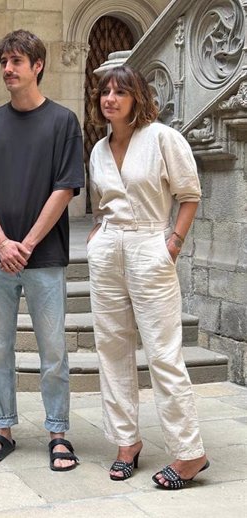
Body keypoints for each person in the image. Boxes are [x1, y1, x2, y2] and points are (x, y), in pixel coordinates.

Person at [0, 30, 85, 470]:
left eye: (17, 61)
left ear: (38, 66)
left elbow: (66, 187)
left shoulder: (63, 122)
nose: (8, 69)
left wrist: (28, 243)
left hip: (45, 258)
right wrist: (0, 241)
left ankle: (58, 432)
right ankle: (3, 428)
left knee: (53, 350)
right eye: (4, 61)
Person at [87, 65, 209, 489]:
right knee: (112, 349)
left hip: (149, 245)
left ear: (137, 97)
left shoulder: (162, 138)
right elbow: (103, 203)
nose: (111, 99)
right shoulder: (98, 151)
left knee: (162, 352)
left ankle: (190, 453)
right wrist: (100, 237)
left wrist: (172, 243)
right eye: (105, 91)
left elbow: (189, 195)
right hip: (108, 251)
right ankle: (126, 443)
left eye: (121, 92)